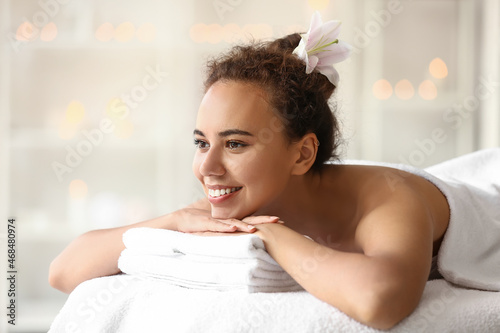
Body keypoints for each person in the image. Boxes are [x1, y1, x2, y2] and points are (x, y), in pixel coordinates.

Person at [49, 14, 451, 330]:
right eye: (202, 143)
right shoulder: (240, 198)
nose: (207, 167)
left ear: (302, 154)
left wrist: (272, 235)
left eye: (235, 144)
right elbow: (63, 271)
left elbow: (380, 300)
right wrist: (174, 220)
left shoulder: (390, 199)